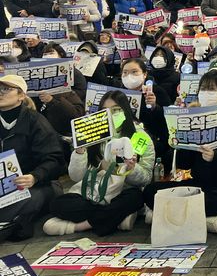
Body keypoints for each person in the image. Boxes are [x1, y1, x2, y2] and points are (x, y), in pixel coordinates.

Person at [144, 71, 217, 232]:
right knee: (151, 192)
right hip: (198, 186)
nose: (206, 93)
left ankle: (175, 216)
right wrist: (181, 144)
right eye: (203, 89)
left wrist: (216, 156)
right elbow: (184, 165)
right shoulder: (193, 118)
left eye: (211, 89)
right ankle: (206, 220)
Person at [43, 91, 154, 236]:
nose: (109, 114)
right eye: (104, 110)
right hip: (93, 193)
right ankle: (116, 217)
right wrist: (79, 153)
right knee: (57, 204)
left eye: (115, 109)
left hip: (124, 191)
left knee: (136, 198)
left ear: (125, 110)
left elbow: (145, 178)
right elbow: (76, 177)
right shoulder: (92, 134)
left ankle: (80, 226)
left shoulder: (140, 137)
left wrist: (132, 169)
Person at [0, 74, 65, 240]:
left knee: (31, 198)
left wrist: (34, 177)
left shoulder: (35, 121)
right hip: (3, 188)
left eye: (6, 89)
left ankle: (11, 222)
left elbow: (55, 160)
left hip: (34, 185)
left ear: (21, 95)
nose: (1, 93)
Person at [118, 58, 171, 167]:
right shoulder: (118, 94)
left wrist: (154, 107)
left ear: (145, 74)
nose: (129, 76)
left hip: (151, 138)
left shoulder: (157, 92)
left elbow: (169, 121)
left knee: (130, 154)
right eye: (125, 72)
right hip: (123, 136)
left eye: (134, 72)